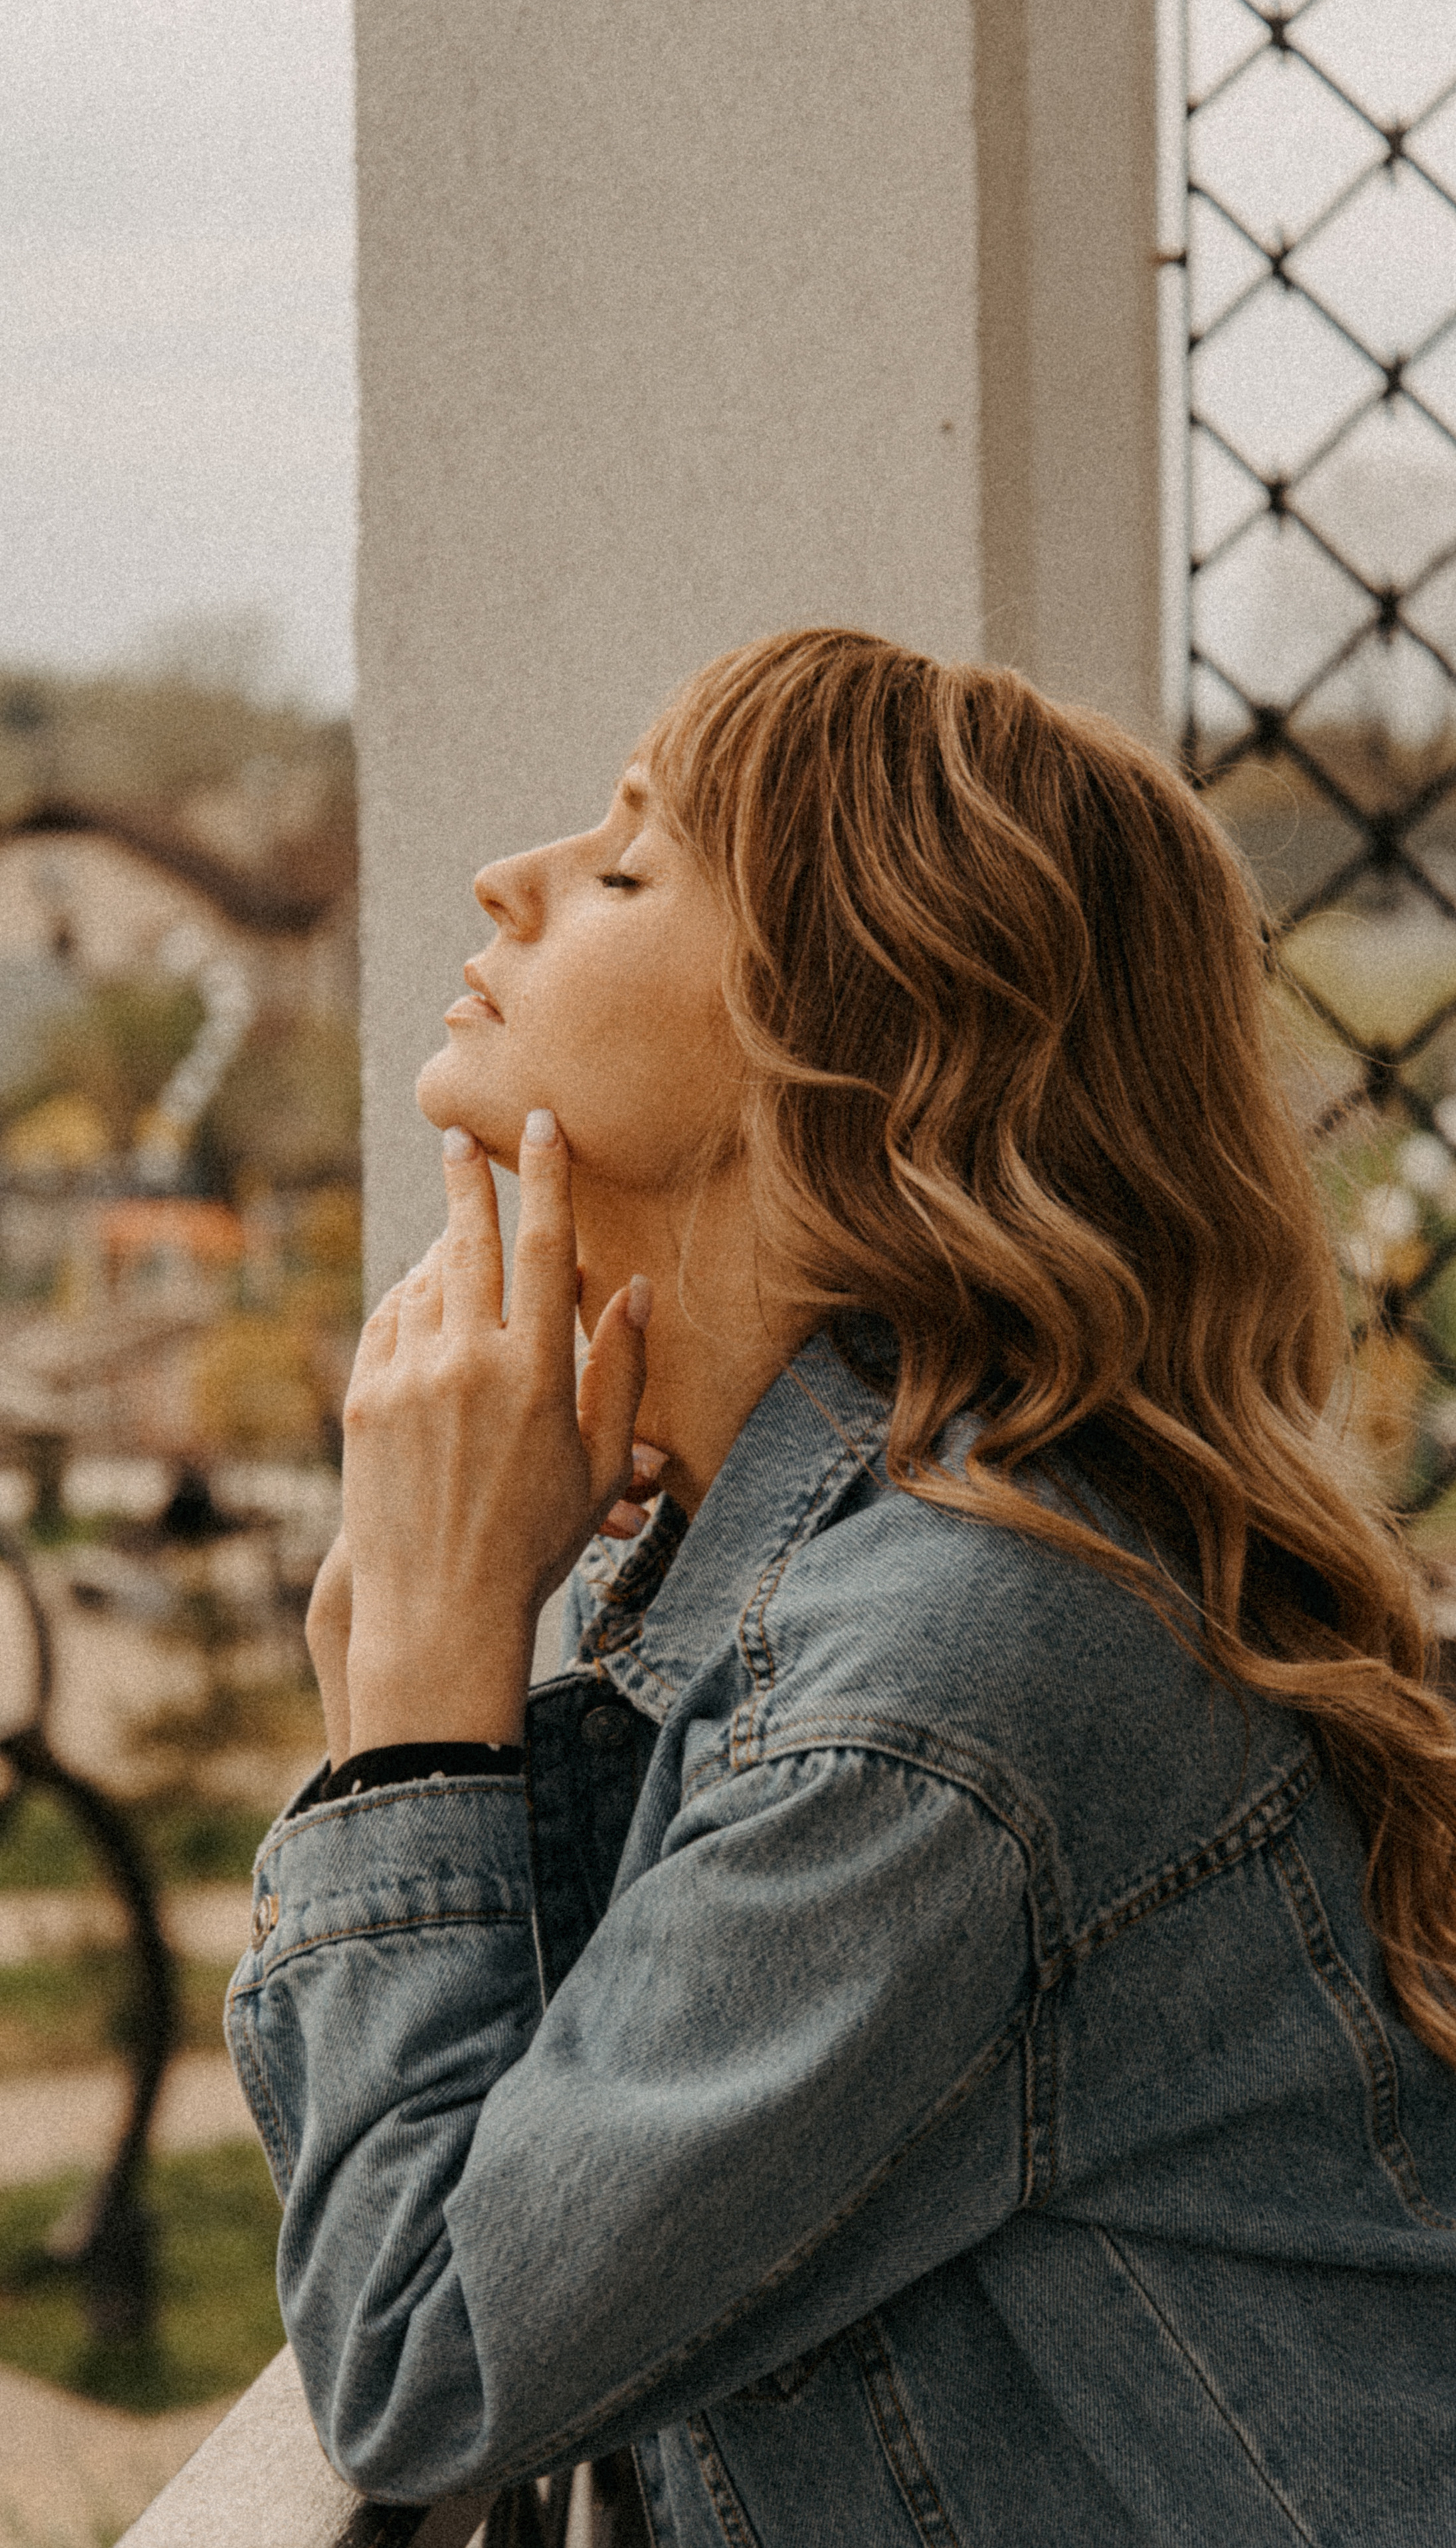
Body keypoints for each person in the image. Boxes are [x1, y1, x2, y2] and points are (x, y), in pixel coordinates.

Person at [226, 630, 1456, 2546]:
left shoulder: (949, 1679)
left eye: (631, 865)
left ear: (857, 1046)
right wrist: (422, 1650)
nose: (509, 881)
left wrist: (419, 1711)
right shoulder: (896, 1592)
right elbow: (541, 2168)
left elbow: (424, 2361)